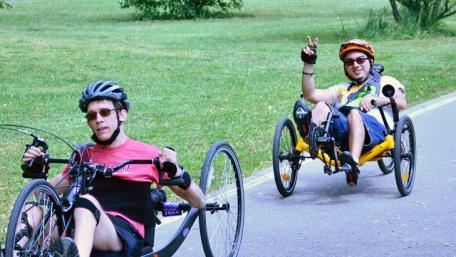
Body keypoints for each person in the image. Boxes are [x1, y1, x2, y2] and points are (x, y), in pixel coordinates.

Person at [21, 80, 205, 257]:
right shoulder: (84, 154)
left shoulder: (149, 155)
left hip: (120, 235)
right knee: (31, 210)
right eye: (92, 116)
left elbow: (199, 202)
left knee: (86, 204)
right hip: (74, 230)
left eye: (105, 112)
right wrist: (36, 173)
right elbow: (45, 195)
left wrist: (177, 173)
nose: (98, 119)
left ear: (122, 114)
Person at [296, 36, 407, 186]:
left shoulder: (385, 81)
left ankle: (352, 165)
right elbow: (311, 95)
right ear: (345, 67)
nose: (355, 65)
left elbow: (401, 103)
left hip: (374, 132)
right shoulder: (341, 88)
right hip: (343, 135)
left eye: (360, 60)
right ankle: (310, 133)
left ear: (371, 62)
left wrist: (376, 99)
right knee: (321, 105)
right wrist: (308, 63)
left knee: (355, 114)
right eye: (349, 62)